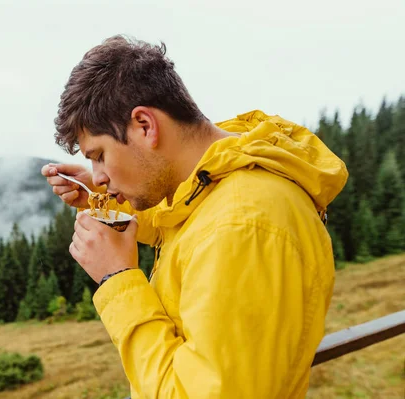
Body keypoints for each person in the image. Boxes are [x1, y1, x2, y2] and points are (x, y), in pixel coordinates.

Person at [41, 35, 348, 398]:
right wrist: (105, 196)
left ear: (144, 125)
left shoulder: (241, 225)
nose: (100, 175)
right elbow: (184, 225)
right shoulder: (218, 184)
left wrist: (117, 277)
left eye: (100, 155)